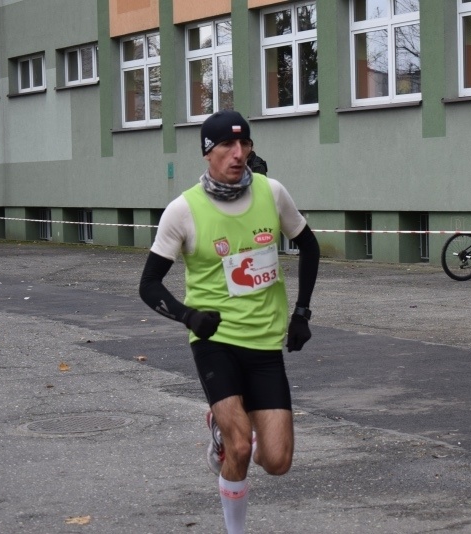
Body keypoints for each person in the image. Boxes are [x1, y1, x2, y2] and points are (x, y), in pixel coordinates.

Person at [138, 110, 320, 534]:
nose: (238, 154)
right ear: (208, 152)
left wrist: (302, 313)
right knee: (239, 446)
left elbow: (309, 247)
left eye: (245, 145)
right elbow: (149, 285)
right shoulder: (183, 210)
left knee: (276, 461)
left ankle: (226, 426)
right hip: (214, 340)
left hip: (265, 341)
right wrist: (188, 315)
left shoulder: (272, 193)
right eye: (227, 146)